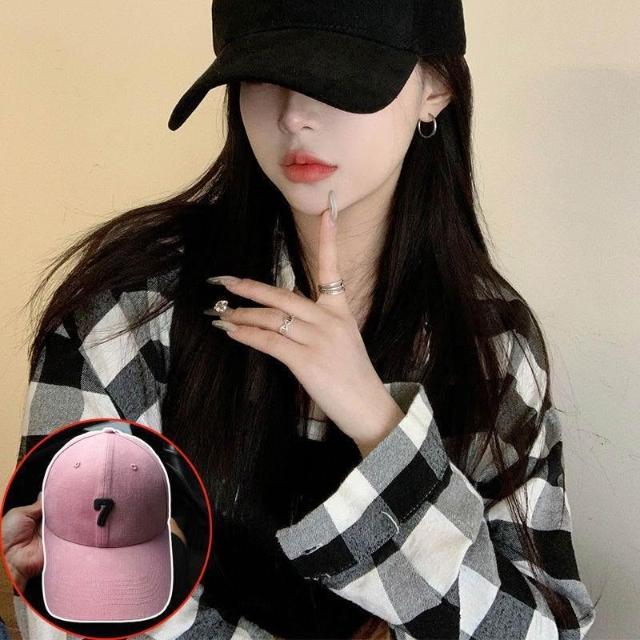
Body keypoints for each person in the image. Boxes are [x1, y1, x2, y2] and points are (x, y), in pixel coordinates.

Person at [10, 0, 597, 638]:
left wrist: (377, 422)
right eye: (263, 75)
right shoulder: (132, 305)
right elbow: (82, 606)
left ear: (434, 88)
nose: (294, 115)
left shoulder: (490, 344)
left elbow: (537, 629)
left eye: (338, 73)